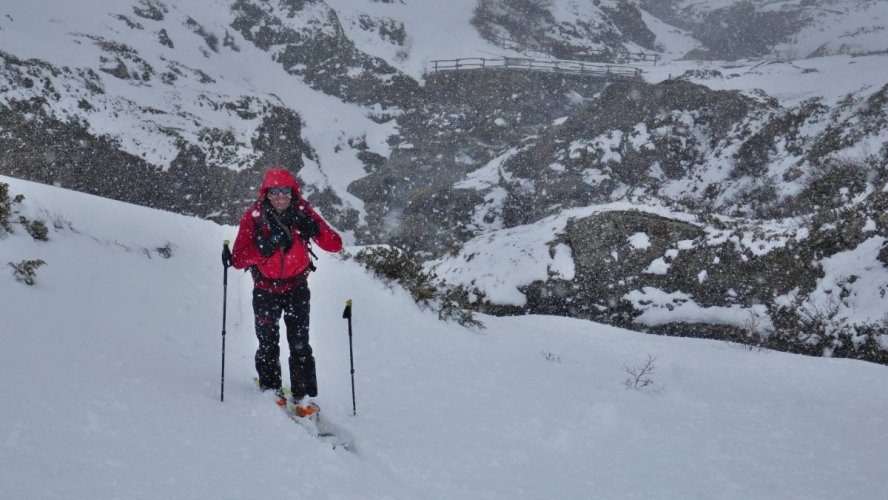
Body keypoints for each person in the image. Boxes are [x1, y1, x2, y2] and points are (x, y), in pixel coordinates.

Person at [232, 168, 342, 417]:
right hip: (265, 290)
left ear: (293, 192)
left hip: (296, 289)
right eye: (274, 191)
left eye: (285, 191)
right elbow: (238, 259)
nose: (280, 196)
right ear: (266, 194)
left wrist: (314, 228)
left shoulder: (304, 213)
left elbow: (335, 245)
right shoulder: (254, 217)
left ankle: (302, 395)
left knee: (300, 344)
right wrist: (266, 246)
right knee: (268, 342)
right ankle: (271, 389)